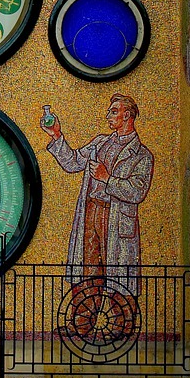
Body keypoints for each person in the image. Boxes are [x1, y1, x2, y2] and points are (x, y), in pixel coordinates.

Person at [41, 95, 153, 295]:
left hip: (116, 216)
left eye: (113, 111)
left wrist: (106, 179)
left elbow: (137, 192)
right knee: (87, 270)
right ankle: (81, 325)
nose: (107, 116)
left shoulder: (142, 155)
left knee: (119, 278)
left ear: (126, 115)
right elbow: (73, 162)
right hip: (91, 211)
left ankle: (121, 326)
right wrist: (56, 135)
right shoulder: (100, 142)